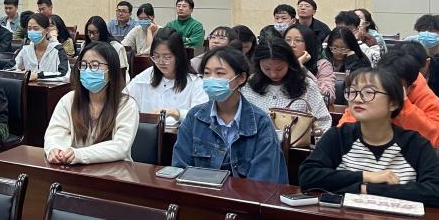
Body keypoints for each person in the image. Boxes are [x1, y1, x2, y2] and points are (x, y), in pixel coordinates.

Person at [299, 66, 439, 207]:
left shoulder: (416, 145)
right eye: (353, 92)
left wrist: (369, 189)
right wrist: (366, 177)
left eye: (369, 93)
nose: (357, 99)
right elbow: (308, 176)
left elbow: (438, 193)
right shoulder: (338, 136)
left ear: (393, 103)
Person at [172, 46, 288, 182]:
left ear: (241, 78)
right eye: (207, 73)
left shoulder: (261, 123)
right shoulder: (195, 117)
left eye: (220, 73)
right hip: (200, 192)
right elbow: (180, 169)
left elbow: (262, 182)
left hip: (246, 195)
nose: (211, 79)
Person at [44, 41, 138, 164]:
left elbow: (120, 146)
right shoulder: (69, 100)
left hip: (115, 171)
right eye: (83, 65)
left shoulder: (127, 105)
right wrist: (55, 149)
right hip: (75, 169)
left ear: (111, 70)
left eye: (95, 65)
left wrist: (80, 154)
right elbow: (55, 132)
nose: (87, 70)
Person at [338, 45, 439, 147]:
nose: (387, 89)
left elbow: (438, 141)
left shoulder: (425, 97)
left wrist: (405, 106)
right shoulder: (369, 91)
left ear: (410, 88)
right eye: (383, 83)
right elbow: (342, 135)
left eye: (394, 85)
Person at [241, 38, 332, 134]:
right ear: (258, 64)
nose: (273, 74)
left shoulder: (306, 86)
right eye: (267, 68)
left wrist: (315, 133)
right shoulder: (248, 85)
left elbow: (324, 121)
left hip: (296, 142)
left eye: (279, 69)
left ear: (290, 63)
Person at [125, 28, 206, 124]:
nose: (161, 62)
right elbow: (124, 101)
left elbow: (201, 115)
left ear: (179, 56)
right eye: (156, 56)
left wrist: (177, 113)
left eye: (167, 57)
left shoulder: (195, 82)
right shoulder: (145, 76)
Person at [284, 24, 334, 103]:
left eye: (298, 40)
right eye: (288, 40)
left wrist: (301, 67)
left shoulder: (322, 65)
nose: (292, 45)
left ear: (308, 43)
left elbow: (328, 96)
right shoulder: (280, 64)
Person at [12, 13, 69, 79]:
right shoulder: (25, 48)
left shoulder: (57, 49)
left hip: (49, 85)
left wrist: (38, 76)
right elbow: (9, 69)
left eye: (36, 29)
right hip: (28, 85)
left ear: (47, 30)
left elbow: (65, 74)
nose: (32, 32)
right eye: (29, 29)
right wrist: (21, 73)